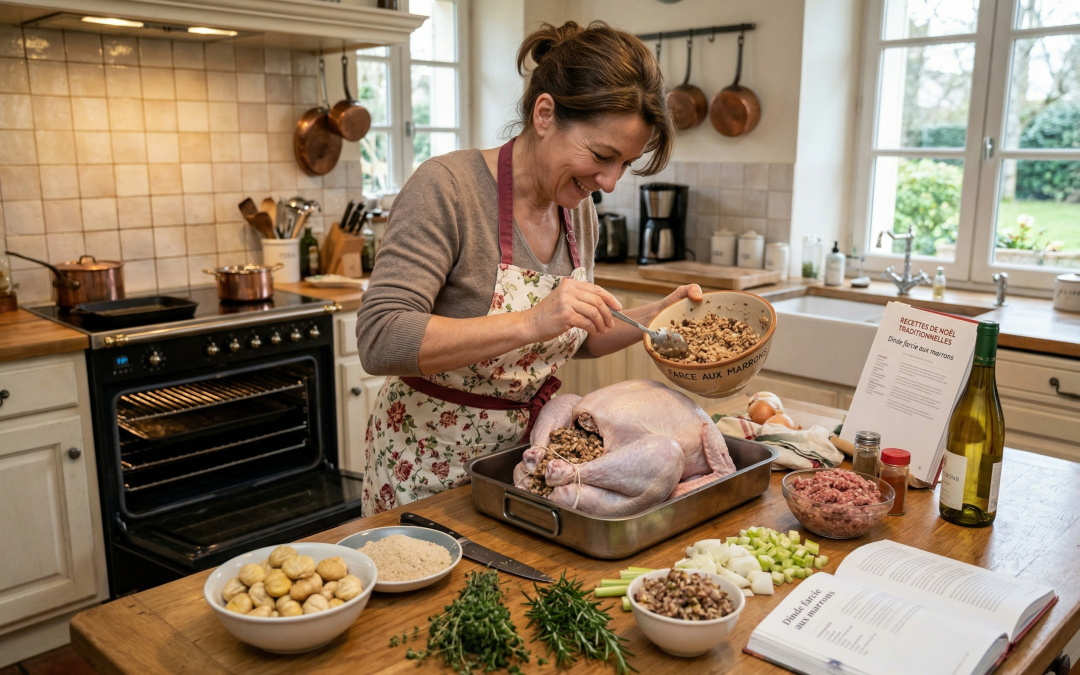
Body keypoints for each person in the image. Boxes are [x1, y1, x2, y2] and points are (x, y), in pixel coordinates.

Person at [355, 20, 702, 516]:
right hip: (428, 465)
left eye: (625, 163)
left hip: (527, 464)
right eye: (603, 156)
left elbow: (574, 333)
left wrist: (658, 317)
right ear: (545, 114)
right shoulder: (447, 189)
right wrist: (532, 320)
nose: (609, 182)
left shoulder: (578, 208)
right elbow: (381, 338)